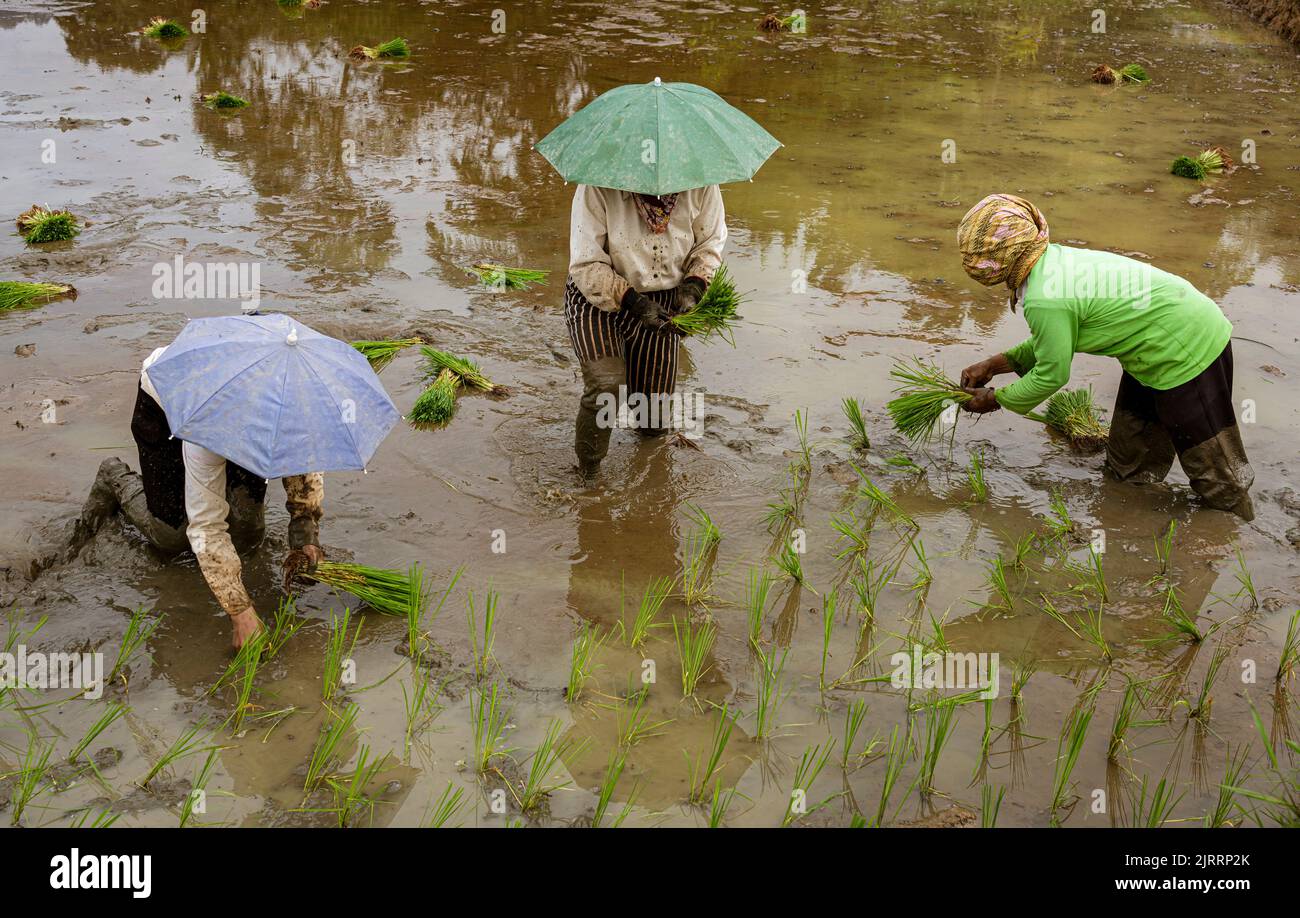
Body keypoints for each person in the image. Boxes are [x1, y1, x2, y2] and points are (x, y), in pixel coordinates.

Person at [954, 193, 1254, 520]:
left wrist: (995, 399)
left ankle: (1234, 537)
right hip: (1149, 352)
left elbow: (1053, 374)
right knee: (1129, 461)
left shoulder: (1044, 297)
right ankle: (1128, 526)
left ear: (995, 260)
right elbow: (1053, 341)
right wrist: (993, 366)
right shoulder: (1052, 261)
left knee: (1214, 471)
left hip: (1188, 349)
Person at [66, 345, 325, 648]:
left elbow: (305, 469)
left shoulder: (300, 407)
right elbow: (206, 527)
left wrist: (305, 534)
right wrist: (240, 612)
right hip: (165, 401)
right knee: (172, 536)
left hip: (234, 406)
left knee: (250, 534)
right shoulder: (212, 419)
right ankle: (115, 477)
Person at [564, 184, 726, 477]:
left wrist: (694, 285)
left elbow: (709, 243)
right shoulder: (598, 185)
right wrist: (633, 303)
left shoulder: (701, 183)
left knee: (653, 421)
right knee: (606, 384)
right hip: (598, 295)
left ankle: (650, 470)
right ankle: (589, 475)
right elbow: (586, 262)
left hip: (662, 302)